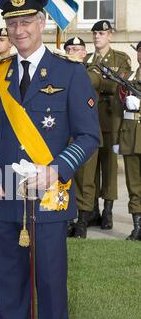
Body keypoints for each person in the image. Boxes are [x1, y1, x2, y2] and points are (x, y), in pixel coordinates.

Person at [0, 0, 99, 319]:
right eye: (12, 24)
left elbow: (88, 135)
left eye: (26, 21)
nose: (19, 29)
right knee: (8, 284)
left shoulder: (70, 72)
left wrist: (57, 170)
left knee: (49, 284)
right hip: (6, 194)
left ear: (42, 23)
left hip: (49, 194)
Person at [85, 20, 131, 230]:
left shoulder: (120, 59)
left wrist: (98, 82)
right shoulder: (85, 59)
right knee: (90, 168)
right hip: (90, 121)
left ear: (110, 36)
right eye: (94, 34)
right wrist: (104, 82)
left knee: (110, 167)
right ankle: (91, 208)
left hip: (111, 120)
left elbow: (118, 85)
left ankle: (108, 211)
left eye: (101, 34)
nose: (97, 37)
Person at [64, 37, 102, 238]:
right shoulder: (62, 72)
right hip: (65, 133)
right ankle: (69, 219)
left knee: (86, 179)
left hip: (86, 134)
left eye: (76, 49)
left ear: (84, 52)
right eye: (68, 49)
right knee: (67, 178)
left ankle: (83, 222)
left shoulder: (91, 70)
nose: (72, 51)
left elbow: (92, 81)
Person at [114, 41, 141, 240]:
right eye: (140, 51)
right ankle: (137, 226)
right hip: (131, 136)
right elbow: (117, 110)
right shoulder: (128, 78)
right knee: (134, 184)